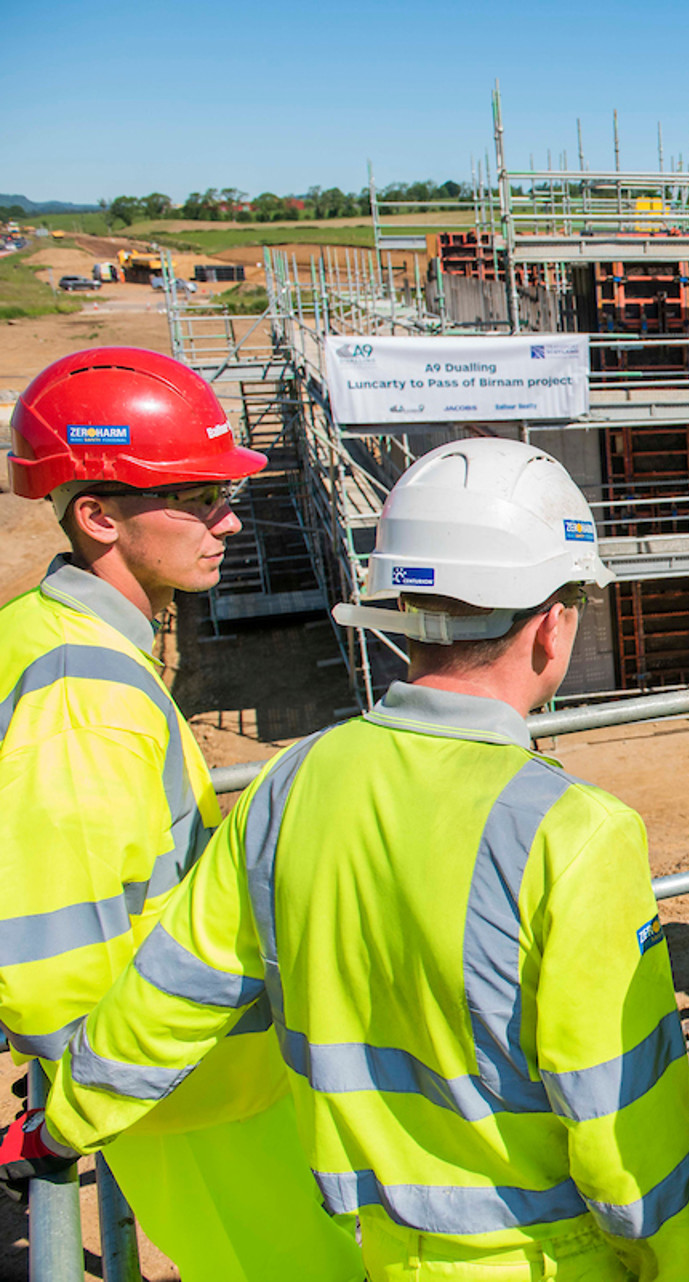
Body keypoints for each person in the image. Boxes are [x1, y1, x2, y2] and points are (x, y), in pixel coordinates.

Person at [7, 437, 689, 1280]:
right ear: (552, 626)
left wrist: (62, 1124)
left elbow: (173, 990)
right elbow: (622, 1117)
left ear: (399, 611)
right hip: (549, 1256)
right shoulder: (574, 832)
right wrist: (676, 1262)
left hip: (382, 1250)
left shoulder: (291, 782)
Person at [0, 348, 361, 1280]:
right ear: (98, 516)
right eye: (197, 498)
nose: (229, 520)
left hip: (170, 1073)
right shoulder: (84, 696)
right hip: (186, 1091)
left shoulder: (44, 631)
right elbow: (54, 958)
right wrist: (79, 1110)